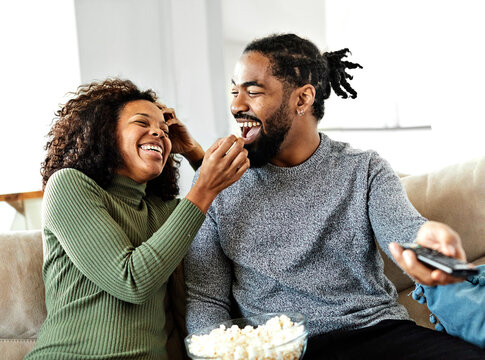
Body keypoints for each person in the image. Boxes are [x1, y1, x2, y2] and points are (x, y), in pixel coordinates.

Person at [184, 33, 485, 359]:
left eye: (253, 91)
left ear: (302, 99)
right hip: (285, 350)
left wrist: (428, 241)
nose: (236, 105)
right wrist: (215, 351)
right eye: (234, 91)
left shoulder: (364, 169)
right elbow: (206, 298)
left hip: (377, 333)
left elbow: (406, 232)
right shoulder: (216, 182)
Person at [25, 78, 249, 360]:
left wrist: (192, 150)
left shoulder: (163, 211)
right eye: (142, 123)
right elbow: (130, 281)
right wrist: (203, 186)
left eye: (165, 130)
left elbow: (228, 204)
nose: (158, 133)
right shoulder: (69, 186)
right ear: (105, 131)